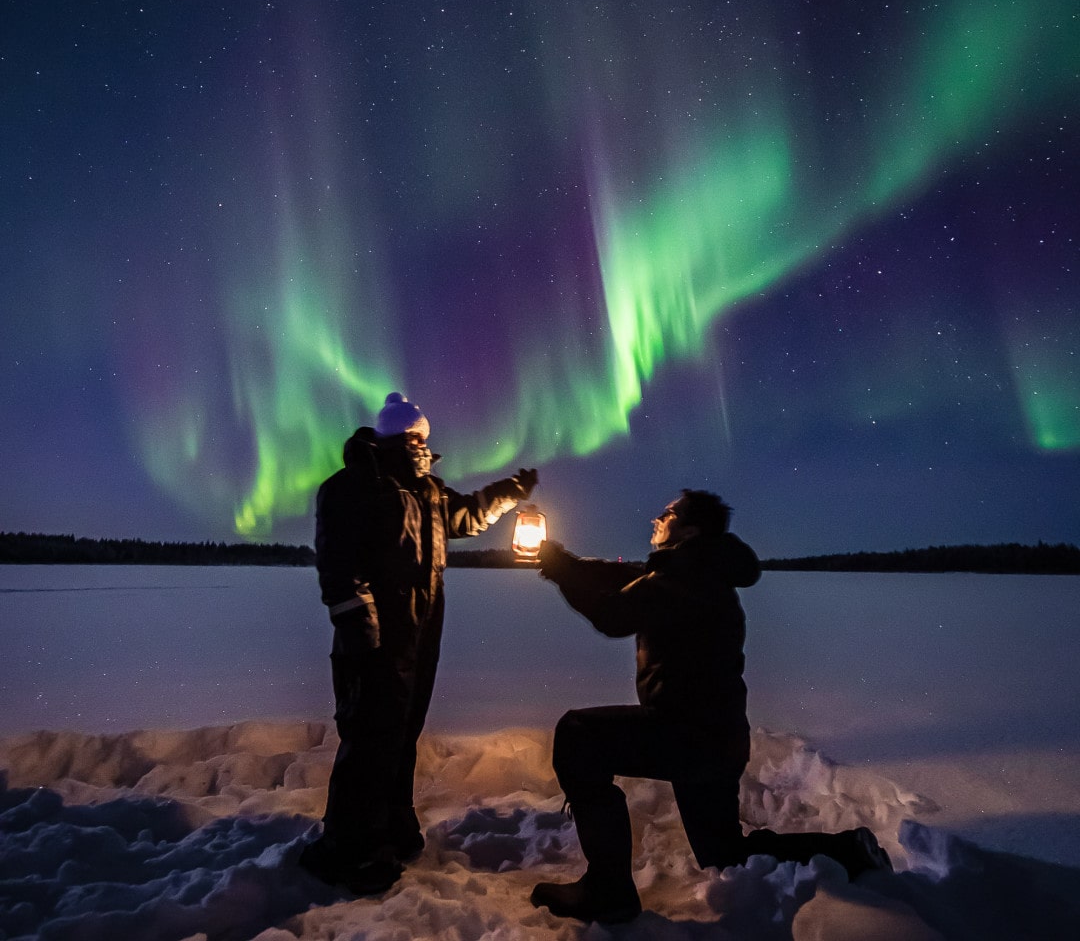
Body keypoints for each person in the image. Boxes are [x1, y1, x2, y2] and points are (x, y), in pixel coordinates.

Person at [529, 489, 891, 924]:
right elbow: (625, 580)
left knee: (579, 736)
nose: (656, 518)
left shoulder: (685, 577)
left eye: (669, 513)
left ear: (691, 529)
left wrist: (563, 573)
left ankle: (608, 891)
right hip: (714, 738)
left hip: (688, 735)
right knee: (724, 853)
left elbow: (615, 614)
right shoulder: (694, 569)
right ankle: (848, 851)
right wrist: (565, 563)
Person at [299, 392, 538, 896]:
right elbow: (339, 570)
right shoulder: (352, 489)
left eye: (424, 440)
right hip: (376, 641)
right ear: (396, 439)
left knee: (400, 735)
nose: (423, 447)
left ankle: (389, 829)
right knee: (367, 739)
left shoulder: (428, 493)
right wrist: (363, 635)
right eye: (415, 440)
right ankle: (349, 851)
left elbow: (468, 516)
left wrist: (509, 492)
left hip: (419, 638)